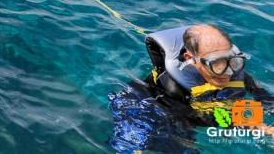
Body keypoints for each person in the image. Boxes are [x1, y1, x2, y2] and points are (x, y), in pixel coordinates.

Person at [109, 24, 274, 151]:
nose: (227, 73)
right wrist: (259, 127)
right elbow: (198, 119)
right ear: (191, 59)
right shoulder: (175, 86)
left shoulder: (233, 71)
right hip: (152, 105)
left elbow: (267, 99)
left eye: (232, 62)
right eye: (216, 64)